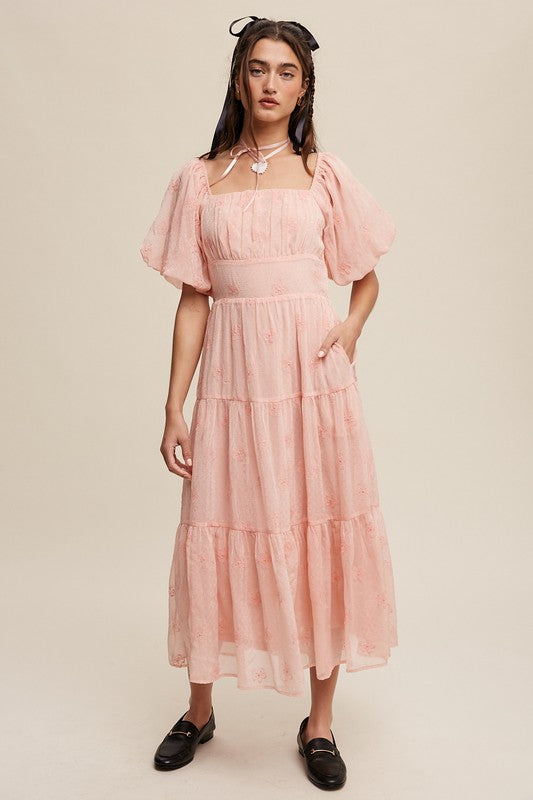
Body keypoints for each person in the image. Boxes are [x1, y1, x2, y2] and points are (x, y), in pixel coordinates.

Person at [139, 15, 398, 791]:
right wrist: (172, 406)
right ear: (238, 77)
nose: (271, 84)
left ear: (304, 86)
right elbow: (194, 298)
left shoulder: (324, 173)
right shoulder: (200, 178)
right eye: (259, 69)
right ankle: (198, 710)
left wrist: (346, 331)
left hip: (311, 385)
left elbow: (365, 275)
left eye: (286, 72)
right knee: (217, 524)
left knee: (318, 529)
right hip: (232, 384)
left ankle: (318, 725)